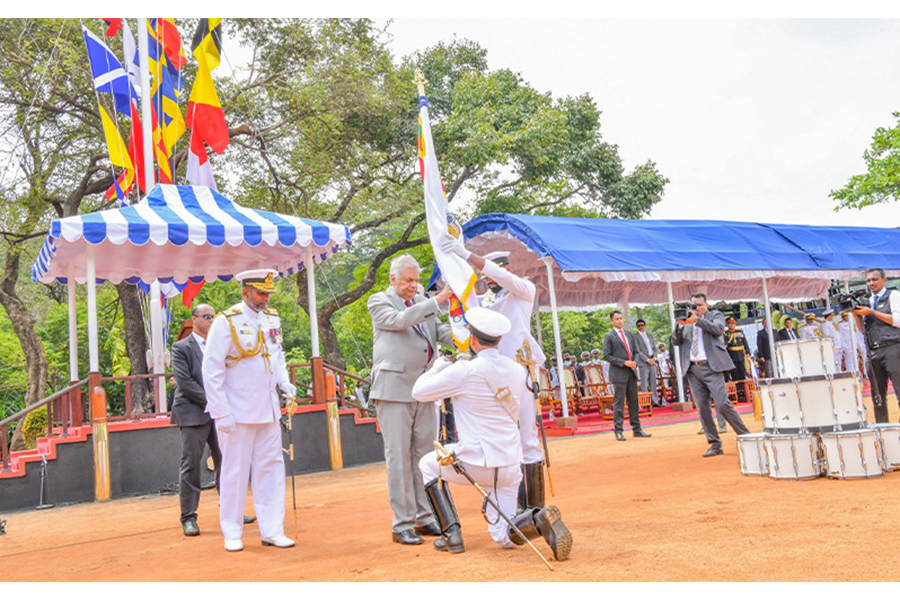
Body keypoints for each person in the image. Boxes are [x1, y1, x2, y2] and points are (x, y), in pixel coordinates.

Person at [412, 307, 572, 561]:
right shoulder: (516, 370)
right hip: (509, 465)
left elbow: (419, 393)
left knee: (426, 464)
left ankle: (451, 534)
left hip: (475, 462)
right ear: (498, 340)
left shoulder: (465, 371)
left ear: (473, 340)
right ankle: (538, 519)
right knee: (503, 536)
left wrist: (436, 368)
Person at [441, 238, 560, 518]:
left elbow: (502, 277)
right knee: (499, 438)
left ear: (504, 269)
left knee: (527, 439)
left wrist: (466, 254)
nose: (489, 280)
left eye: (492, 273)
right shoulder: (482, 303)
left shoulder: (523, 291)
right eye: (486, 277)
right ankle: (511, 500)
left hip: (519, 373)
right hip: (489, 376)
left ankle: (534, 508)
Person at [202, 269, 297, 552]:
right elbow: (212, 369)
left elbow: (276, 355)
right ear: (246, 292)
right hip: (237, 410)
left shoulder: (272, 318)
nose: (265, 298)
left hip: (268, 409)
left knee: (271, 468)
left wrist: (285, 382)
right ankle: (232, 530)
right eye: (260, 293)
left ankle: (272, 529)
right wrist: (221, 412)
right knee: (235, 471)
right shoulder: (226, 321)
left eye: (268, 293)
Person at [367, 254, 453, 546]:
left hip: (425, 388)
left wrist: (477, 335)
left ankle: (424, 515)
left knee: (424, 456)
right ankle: (401, 522)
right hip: (393, 390)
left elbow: (442, 333)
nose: (413, 285)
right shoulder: (379, 301)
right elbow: (399, 321)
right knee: (399, 458)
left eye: (416, 280)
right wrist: (437, 300)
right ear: (393, 279)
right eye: (407, 280)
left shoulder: (421, 303)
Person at [671, 293, 750, 457]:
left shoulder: (715, 315)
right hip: (693, 369)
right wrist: (680, 325)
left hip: (712, 367)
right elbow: (675, 341)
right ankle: (714, 444)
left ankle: (746, 436)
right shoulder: (686, 319)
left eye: (699, 305)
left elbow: (719, 330)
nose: (696, 308)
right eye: (693, 305)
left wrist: (698, 321)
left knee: (722, 404)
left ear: (706, 304)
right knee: (702, 408)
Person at [170, 303, 221, 537]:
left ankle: (231, 511)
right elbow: (184, 382)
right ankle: (188, 517)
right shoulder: (181, 347)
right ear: (194, 319)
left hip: (220, 413)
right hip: (193, 411)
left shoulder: (221, 346)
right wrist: (213, 400)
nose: (211, 320)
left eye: (214, 316)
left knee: (228, 461)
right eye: (207, 316)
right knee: (191, 463)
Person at [852, 268, 900, 423]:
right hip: (873, 351)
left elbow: (897, 321)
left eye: (874, 279)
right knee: (877, 396)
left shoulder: (893, 295)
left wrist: (872, 312)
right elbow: (863, 331)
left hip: (893, 347)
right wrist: (857, 316)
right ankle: (883, 432)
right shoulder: (866, 302)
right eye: (868, 281)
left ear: (884, 280)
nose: (871, 283)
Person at [603, 310, 652, 441]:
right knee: (619, 402)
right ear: (611, 321)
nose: (620, 321)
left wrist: (634, 362)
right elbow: (606, 355)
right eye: (616, 319)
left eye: (621, 318)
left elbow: (636, 351)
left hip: (631, 372)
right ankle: (618, 430)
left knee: (634, 401)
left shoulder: (629, 334)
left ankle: (637, 429)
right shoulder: (609, 336)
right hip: (619, 373)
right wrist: (624, 362)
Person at [633, 319, 661, 406]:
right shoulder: (635, 337)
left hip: (652, 361)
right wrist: (647, 360)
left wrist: (654, 358)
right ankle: (645, 403)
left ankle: (655, 401)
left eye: (642, 325)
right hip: (643, 363)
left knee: (653, 382)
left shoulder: (650, 336)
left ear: (645, 326)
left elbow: (654, 348)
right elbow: (637, 351)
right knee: (644, 383)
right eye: (639, 326)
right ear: (637, 327)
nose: (641, 327)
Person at [724, 317, 751, 382]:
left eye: (733, 324)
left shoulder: (740, 332)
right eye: (730, 324)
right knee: (734, 373)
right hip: (732, 355)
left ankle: (743, 388)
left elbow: (745, 343)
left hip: (740, 355)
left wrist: (748, 353)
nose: (732, 325)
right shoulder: (726, 334)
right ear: (727, 325)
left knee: (742, 372)